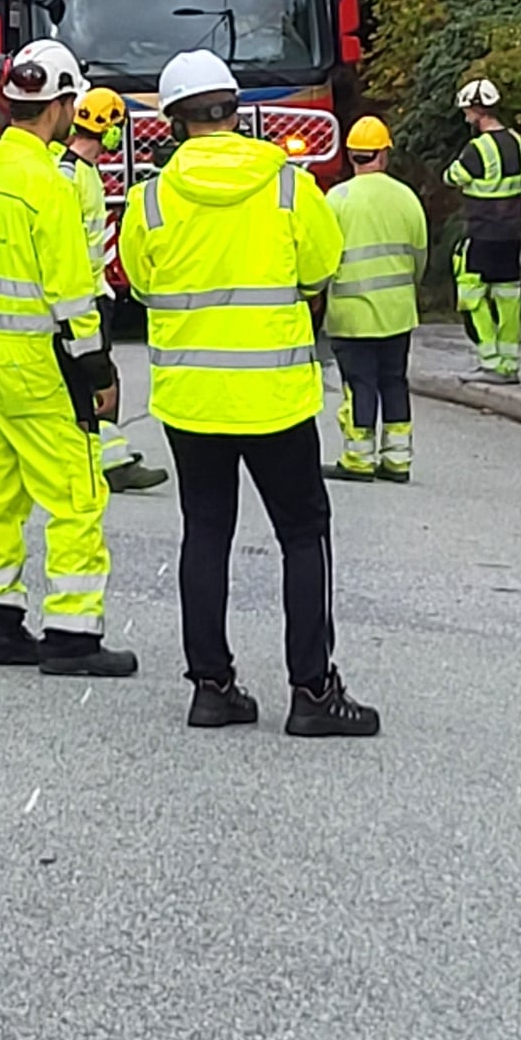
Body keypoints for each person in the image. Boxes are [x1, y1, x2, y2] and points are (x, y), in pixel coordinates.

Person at [118, 47, 375, 737]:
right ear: (237, 113)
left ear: (172, 122)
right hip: (276, 397)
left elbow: (140, 283)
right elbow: (322, 267)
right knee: (302, 534)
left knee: (205, 531)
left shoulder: (149, 199)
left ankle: (212, 687)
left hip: (191, 399)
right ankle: (314, 693)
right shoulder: (289, 186)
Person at [0, 40, 134, 676]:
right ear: (59, 105)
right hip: (37, 365)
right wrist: (98, 372)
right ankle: (73, 636)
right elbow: (73, 294)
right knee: (75, 494)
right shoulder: (49, 185)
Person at [60, 85, 168, 493]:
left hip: (90, 290)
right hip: (83, 296)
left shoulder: (75, 171)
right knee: (97, 378)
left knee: (93, 379)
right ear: (108, 131)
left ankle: (104, 457)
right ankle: (109, 462)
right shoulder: (75, 176)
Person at [325, 115, 429, 483]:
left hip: (351, 314)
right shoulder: (407, 198)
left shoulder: (337, 200)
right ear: (384, 154)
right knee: (394, 381)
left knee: (359, 383)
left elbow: (322, 258)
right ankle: (398, 460)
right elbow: (420, 255)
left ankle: (359, 459)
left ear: (351, 155)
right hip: (398, 311)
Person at [445, 77, 521, 381]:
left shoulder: (478, 149)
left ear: (478, 111)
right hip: (511, 234)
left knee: (472, 295)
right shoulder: (515, 141)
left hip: (482, 233)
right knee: (508, 298)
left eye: (467, 111)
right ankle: (509, 364)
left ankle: (490, 361)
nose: (466, 116)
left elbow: (452, 176)